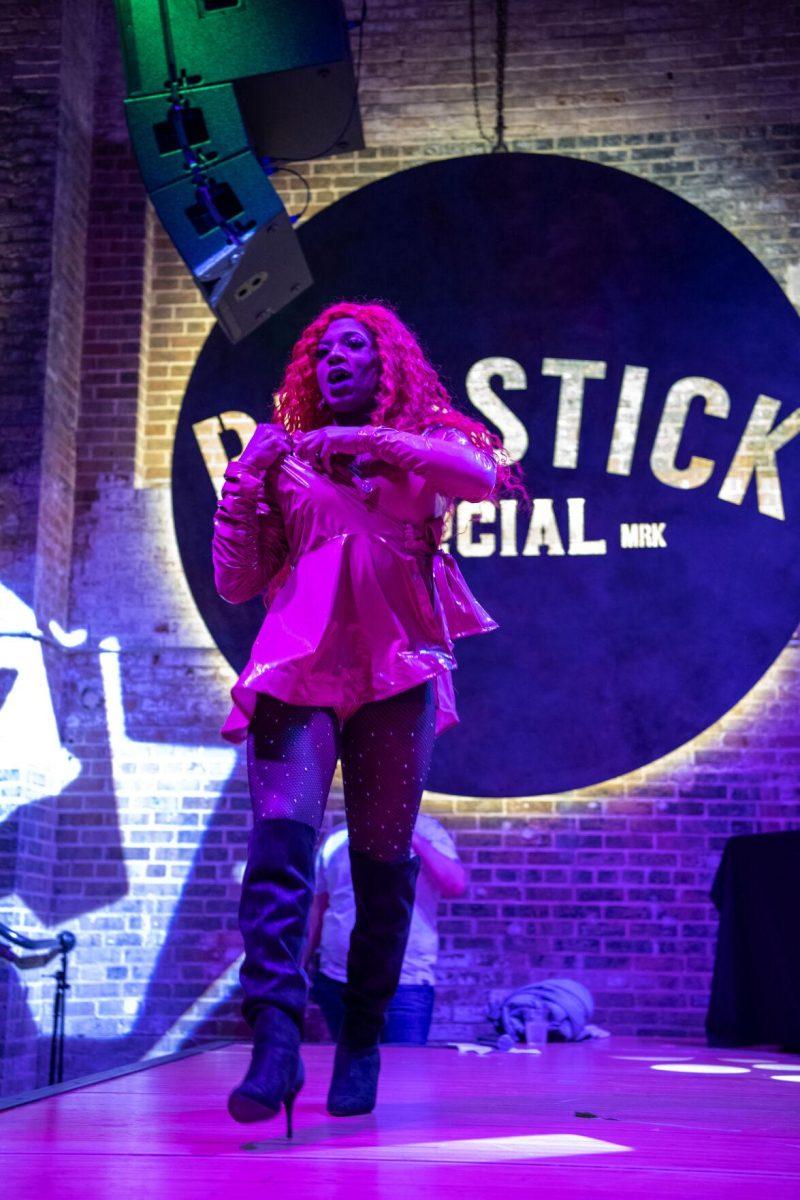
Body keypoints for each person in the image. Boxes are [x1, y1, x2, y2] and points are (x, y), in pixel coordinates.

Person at [211, 300, 529, 1137]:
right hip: (298, 673)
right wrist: (247, 478)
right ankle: (275, 1036)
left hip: (397, 677)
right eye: (322, 353)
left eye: (354, 347)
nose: (335, 360)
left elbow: (481, 479)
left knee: (385, 868)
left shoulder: (421, 451)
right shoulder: (284, 464)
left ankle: (360, 1039)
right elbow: (238, 583)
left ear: (385, 361)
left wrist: (368, 443)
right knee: (280, 849)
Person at [304, 813, 467, 1044]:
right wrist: (301, 964)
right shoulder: (336, 837)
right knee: (347, 1070)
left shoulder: (427, 830)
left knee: (404, 1075)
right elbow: (319, 909)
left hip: (405, 982)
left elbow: (455, 884)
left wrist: (410, 836)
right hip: (338, 979)